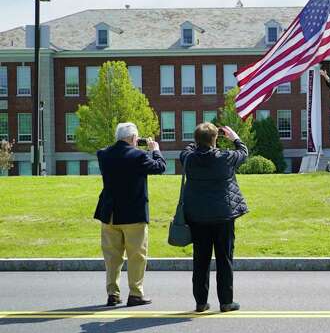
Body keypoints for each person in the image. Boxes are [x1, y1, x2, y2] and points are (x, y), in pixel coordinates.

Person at [94, 122, 166, 307]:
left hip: (109, 213)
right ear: (134, 138)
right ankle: (135, 293)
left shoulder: (103, 154)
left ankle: (113, 293)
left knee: (111, 257)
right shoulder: (139, 155)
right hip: (133, 214)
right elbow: (160, 167)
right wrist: (155, 150)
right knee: (136, 256)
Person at [179, 123, 248, 313]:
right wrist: (234, 138)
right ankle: (226, 302)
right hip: (223, 216)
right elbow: (243, 152)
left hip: (197, 217)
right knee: (224, 259)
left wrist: (199, 142)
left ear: (196, 140)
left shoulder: (188, 159)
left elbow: (187, 150)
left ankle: (201, 302)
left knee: (200, 260)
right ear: (215, 139)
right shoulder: (225, 158)